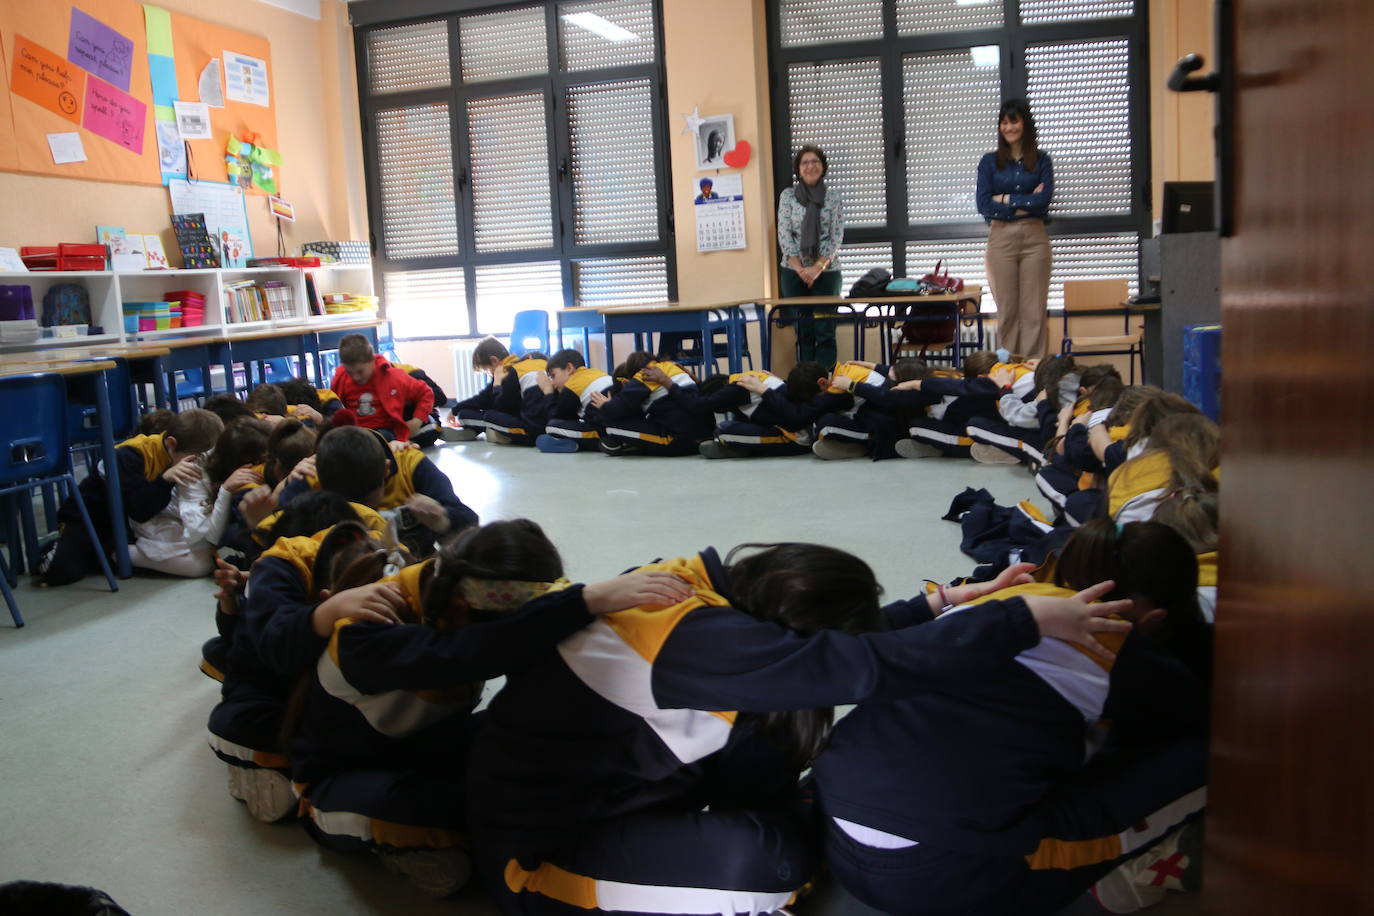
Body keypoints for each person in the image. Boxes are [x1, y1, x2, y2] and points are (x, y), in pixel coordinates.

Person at [465, 540, 1132, 916]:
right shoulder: (699, 643)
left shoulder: (708, 595)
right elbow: (857, 666)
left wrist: (941, 603)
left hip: (604, 804)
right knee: (769, 864)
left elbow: (818, 652)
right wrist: (1024, 619)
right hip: (538, 859)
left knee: (776, 774)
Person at [813, 520, 1211, 916]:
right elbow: (1194, 714)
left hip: (833, 828)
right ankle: (1134, 870)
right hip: (942, 878)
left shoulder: (1001, 594)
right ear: (1155, 617)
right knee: (1215, 756)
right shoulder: (1117, 641)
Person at [290, 519, 693, 897]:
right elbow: (469, 652)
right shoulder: (367, 630)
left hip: (426, 752)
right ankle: (414, 846)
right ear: (463, 610)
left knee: (529, 762)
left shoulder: (454, 605)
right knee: (436, 811)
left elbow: (521, 634)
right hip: (335, 784)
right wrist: (587, 599)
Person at [39, 408, 224, 585]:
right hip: (92, 518)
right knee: (60, 573)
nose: (197, 465)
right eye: (194, 459)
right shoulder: (130, 455)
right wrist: (165, 480)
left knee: (190, 549)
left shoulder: (172, 454)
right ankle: (56, 543)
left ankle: (107, 551)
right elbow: (138, 510)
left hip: (130, 520)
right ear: (172, 443)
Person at [977, 99, 1054, 358]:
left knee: (1034, 311)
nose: (1009, 127)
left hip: (1035, 237)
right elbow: (983, 204)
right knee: (1008, 311)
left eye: (1014, 121)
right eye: (1004, 122)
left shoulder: (1042, 160)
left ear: (1025, 123)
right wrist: (1023, 202)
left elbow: (1043, 201)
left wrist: (1005, 198)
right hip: (1001, 238)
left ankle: (1032, 375)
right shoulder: (989, 162)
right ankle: (1010, 371)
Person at [777, 145, 844, 366]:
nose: (810, 166)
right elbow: (784, 234)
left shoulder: (833, 197)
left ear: (823, 166)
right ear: (798, 169)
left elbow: (836, 237)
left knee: (825, 329)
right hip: (793, 272)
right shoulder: (788, 196)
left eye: (815, 161)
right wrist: (800, 269)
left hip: (826, 272)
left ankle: (826, 381)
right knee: (803, 330)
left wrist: (817, 268)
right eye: (805, 162)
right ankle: (806, 380)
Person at [330, 333, 435, 442]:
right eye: (350, 373)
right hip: (354, 432)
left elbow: (426, 393)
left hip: (384, 432)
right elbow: (332, 406)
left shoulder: (393, 377)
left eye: (360, 371)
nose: (356, 377)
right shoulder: (341, 379)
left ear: (372, 361)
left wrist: (417, 421)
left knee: (379, 438)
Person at [535, 349, 613, 453]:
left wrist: (547, 391)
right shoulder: (598, 373)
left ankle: (584, 445)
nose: (553, 383)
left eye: (553, 376)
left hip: (602, 431)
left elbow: (555, 416)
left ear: (569, 368)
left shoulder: (573, 384)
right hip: (617, 425)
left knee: (552, 426)